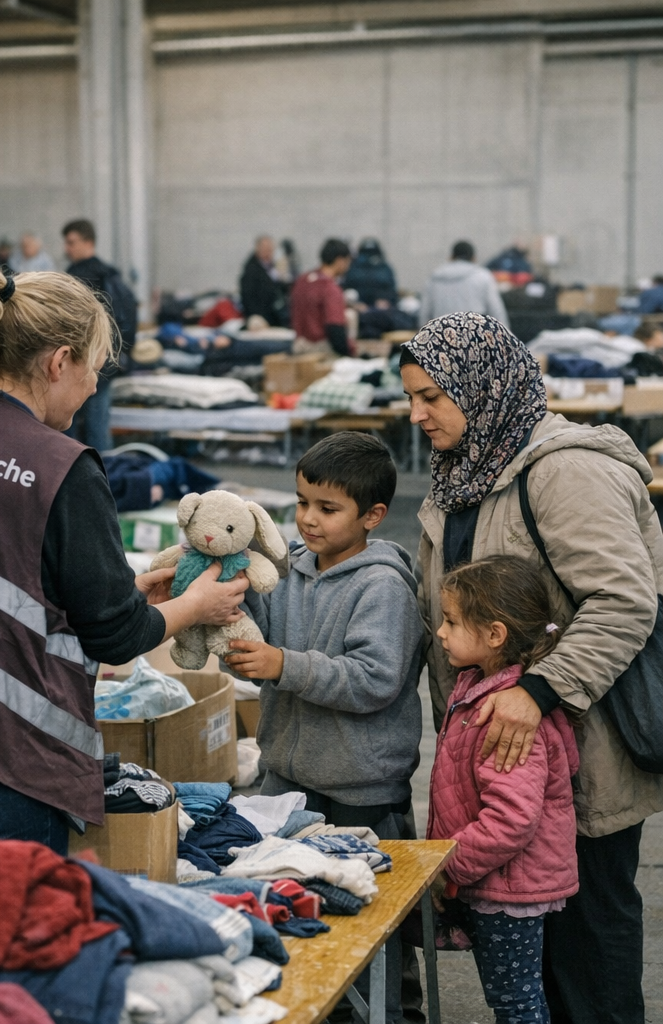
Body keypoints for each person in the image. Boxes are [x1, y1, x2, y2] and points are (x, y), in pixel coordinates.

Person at [0, 264, 249, 853]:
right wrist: (196, 604)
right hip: (0, 759)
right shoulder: (61, 465)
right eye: (92, 369)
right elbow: (116, 639)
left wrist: (122, 592)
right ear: (60, 361)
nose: (91, 389)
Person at [403, 311, 663, 1022]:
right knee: (531, 964)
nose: (417, 414)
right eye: (411, 398)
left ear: (483, 387)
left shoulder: (564, 472)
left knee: (589, 950)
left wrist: (540, 691)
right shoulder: (464, 471)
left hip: (585, 750)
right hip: (508, 760)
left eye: (432, 396)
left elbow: (623, 600)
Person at [222, 430, 421, 1023]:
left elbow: (374, 680)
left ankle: (390, 1015)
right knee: (304, 921)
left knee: (371, 934)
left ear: (373, 517)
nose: (308, 519)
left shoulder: (383, 584)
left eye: (327, 508)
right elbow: (256, 624)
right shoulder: (288, 570)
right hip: (285, 784)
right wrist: (226, 601)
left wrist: (284, 665)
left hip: (362, 794)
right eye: (302, 501)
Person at [428, 555, 579, 1024]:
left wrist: (447, 866)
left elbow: (510, 818)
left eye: (451, 621)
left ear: (495, 634)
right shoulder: (477, 687)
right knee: (513, 997)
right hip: (492, 883)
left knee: (516, 1003)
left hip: (506, 892)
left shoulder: (505, 715)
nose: (440, 632)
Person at [62, 218, 136, 452]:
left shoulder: (79, 279)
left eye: (72, 242)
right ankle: (104, 480)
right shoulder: (111, 276)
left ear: (88, 242)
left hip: (83, 365)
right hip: (103, 365)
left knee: (70, 434)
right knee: (97, 430)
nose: (67, 248)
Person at [290, 238, 353, 356]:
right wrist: (349, 355)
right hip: (321, 351)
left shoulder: (302, 281)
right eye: (348, 262)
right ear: (340, 261)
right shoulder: (330, 288)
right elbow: (335, 329)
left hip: (298, 348)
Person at [422, 241, 508, 326]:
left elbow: (425, 312)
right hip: (475, 334)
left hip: (442, 333)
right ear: (474, 258)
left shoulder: (435, 278)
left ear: (451, 257)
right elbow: (496, 310)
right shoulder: (483, 277)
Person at [239, 235, 288, 327]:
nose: (268, 252)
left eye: (270, 249)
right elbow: (247, 297)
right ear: (258, 249)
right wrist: (256, 316)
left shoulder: (273, 267)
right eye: (265, 249)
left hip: (276, 315)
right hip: (261, 317)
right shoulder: (251, 270)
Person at [342, 237, 399, 309]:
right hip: (357, 306)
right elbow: (347, 287)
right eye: (365, 254)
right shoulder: (353, 267)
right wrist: (356, 304)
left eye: (373, 253)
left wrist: (386, 300)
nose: (368, 257)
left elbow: (391, 290)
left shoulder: (385, 268)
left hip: (382, 308)